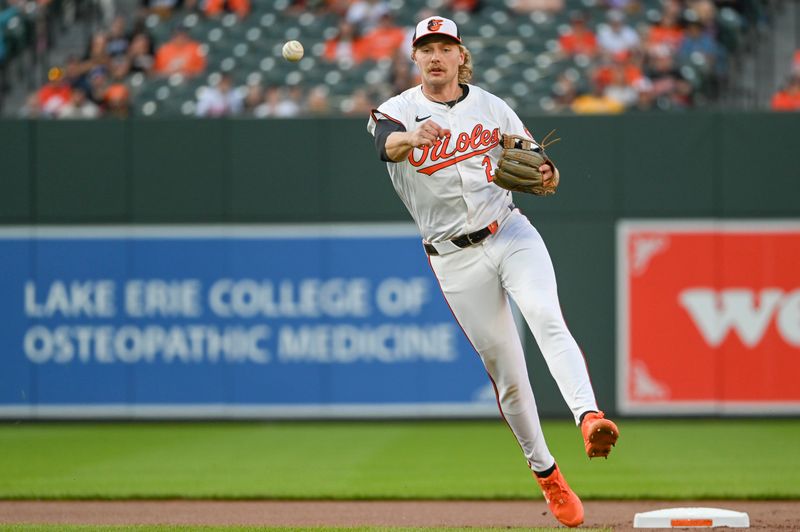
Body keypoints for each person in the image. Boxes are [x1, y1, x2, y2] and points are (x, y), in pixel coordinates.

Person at [366, 16, 620, 528]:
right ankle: (547, 474)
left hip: (508, 231)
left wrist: (546, 170)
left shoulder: (492, 105)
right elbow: (385, 147)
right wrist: (412, 137)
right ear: (414, 58)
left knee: (546, 314)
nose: (435, 55)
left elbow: (539, 164)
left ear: (462, 55)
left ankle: (589, 415)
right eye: (426, 47)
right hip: (453, 257)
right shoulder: (394, 111)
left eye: (445, 46)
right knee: (508, 374)